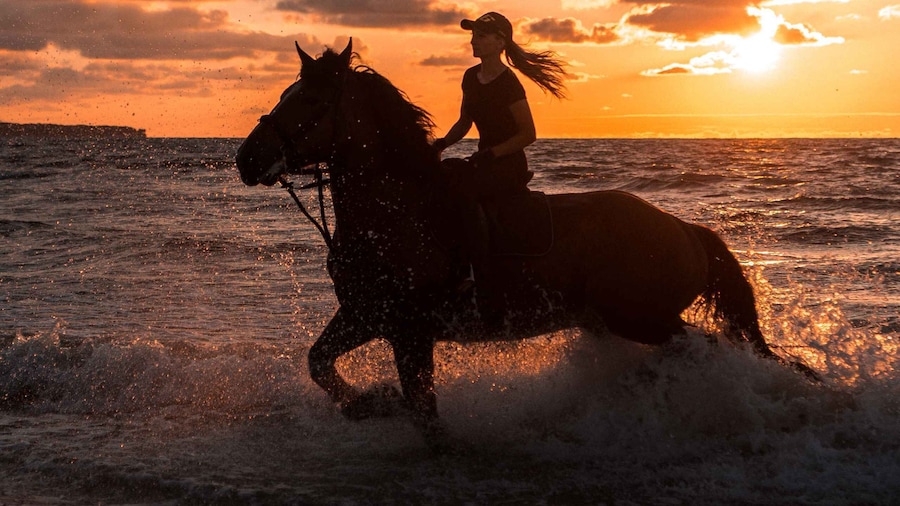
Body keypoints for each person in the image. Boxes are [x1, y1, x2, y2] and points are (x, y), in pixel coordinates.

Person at [432, 11, 567, 323]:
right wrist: (440, 144)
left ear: (499, 42)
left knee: (465, 192)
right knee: (443, 181)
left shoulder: (508, 83)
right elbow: (464, 121)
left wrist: (493, 154)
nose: (473, 41)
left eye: (480, 36)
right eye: (473, 35)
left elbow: (528, 134)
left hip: (508, 165)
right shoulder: (470, 77)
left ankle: (476, 274)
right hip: (484, 161)